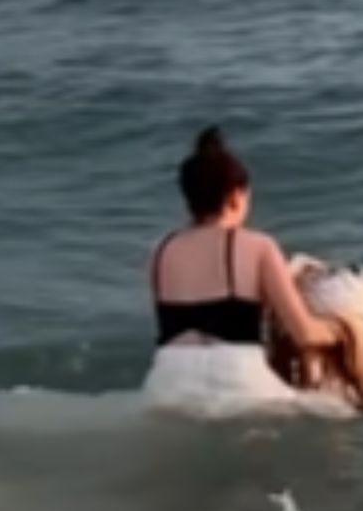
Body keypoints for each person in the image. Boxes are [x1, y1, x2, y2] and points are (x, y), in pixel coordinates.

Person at [142, 126, 347, 415]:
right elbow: (305, 335)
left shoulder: (159, 251)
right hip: (236, 380)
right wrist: (343, 329)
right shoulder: (258, 246)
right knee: (340, 411)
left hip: (167, 385)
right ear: (236, 196)